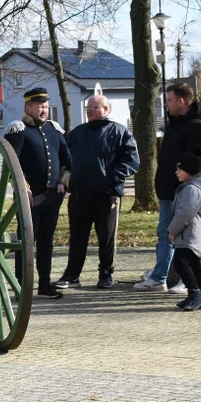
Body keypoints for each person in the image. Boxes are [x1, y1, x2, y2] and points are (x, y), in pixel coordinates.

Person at [55, 95, 139, 289]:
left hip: (106, 195)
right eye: (88, 107)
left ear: (106, 109)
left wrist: (110, 180)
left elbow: (131, 161)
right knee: (77, 238)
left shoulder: (119, 132)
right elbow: (65, 159)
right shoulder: (77, 133)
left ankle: (106, 274)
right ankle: (72, 276)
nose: (90, 110)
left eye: (95, 107)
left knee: (106, 238)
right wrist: (66, 181)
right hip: (79, 195)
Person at [135, 82, 201, 292]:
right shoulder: (175, 122)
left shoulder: (196, 125)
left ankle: (186, 280)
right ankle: (160, 276)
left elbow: (193, 161)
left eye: (168, 100)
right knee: (165, 233)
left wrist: (181, 183)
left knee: (183, 236)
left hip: (183, 192)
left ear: (181, 101)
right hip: (169, 189)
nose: (165, 105)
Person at [3, 87, 71, 299]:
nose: (43, 110)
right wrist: (24, 189)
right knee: (25, 241)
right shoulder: (18, 130)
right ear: (28, 108)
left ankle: (44, 284)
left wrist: (62, 182)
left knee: (46, 241)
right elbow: (10, 165)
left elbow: (68, 162)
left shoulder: (54, 130)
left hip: (52, 196)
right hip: (29, 198)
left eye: (45, 106)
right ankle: (22, 286)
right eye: (39, 107)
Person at [167, 154, 201, 312]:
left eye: (180, 169)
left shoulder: (192, 189)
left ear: (189, 171)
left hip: (190, 235)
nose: (176, 172)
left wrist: (172, 231)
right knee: (192, 263)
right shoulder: (190, 187)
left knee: (181, 262)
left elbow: (185, 213)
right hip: (190, 235)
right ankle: (198, 293)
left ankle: (195, 293)